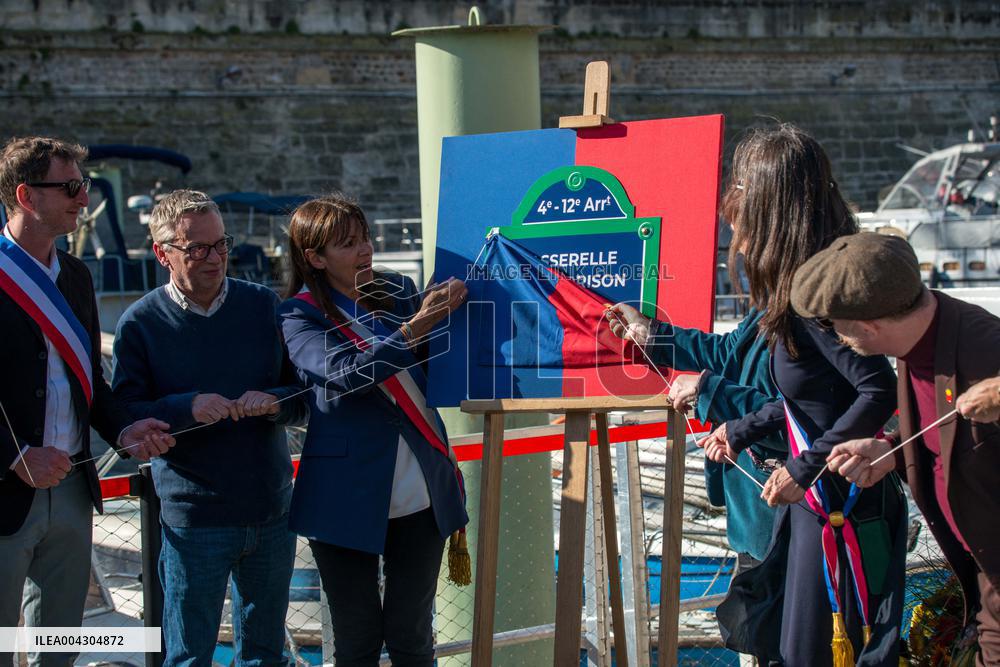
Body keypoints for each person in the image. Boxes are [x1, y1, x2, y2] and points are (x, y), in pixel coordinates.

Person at [696, 125, 906, 666]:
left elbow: (877, 388)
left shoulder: (815, 295)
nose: (734, 229)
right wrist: (742, 429)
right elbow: (814, 397)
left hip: (839, 507)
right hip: (818, 503)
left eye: (741, 208)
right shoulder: (799, 286)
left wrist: (804, 467)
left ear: (770, 210)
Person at [111, 189, 307, 666]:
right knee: (188, 657)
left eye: (221, 244)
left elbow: (304, 396)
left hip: (271, 510)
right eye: (198, 248)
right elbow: (124, 414)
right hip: (193, 520)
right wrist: (187, 407)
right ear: (163, 254)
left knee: (266, 658)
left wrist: (274, 403)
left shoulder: (264, 306)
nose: (215, 258)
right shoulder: (139, 324)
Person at [0, 136, 174, 667]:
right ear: (27, 196)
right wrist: (15, 455)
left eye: (85, 185)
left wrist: (124, 430)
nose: (83, 198)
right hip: (6, 487)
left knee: (59, 647)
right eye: (71, 187)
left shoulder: (76, 275)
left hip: (73, 487)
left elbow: (89, 381)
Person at [277, 195, 468, 666]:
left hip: (420, 487)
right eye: (348, 244)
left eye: (365, 238)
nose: (365, 250)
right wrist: (420, 324)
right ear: (315, 258)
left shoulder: (399, 290)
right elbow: (346, 373)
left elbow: (437, 366)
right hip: (343, 493)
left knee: (412, 635)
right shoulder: (297, 315)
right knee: (357, 640)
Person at [795, 232, 1000, 665]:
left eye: (834, 325)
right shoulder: (920, 338)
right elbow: (948, 439)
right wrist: (892, 450)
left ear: (867, 327)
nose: (836, 337)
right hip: (982, 579)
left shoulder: (983, 343)